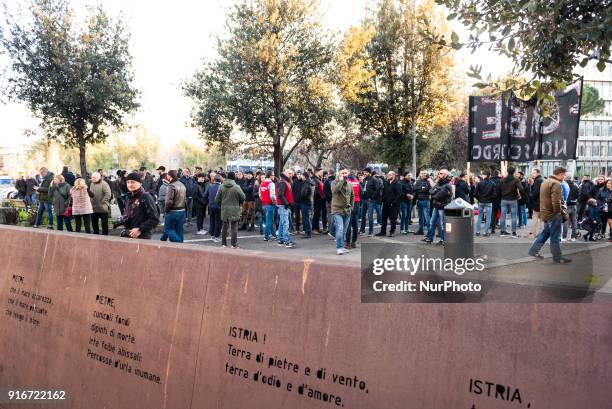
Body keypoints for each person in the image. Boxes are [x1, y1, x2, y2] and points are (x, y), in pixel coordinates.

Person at [528, 166, 571, 263]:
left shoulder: (545, 181)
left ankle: (533, 250)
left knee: (545, 233)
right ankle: (557, 257)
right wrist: (558, 213)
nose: (564, 177)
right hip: (553, 214)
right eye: (564, 175)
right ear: (560, 174)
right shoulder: (556, 184)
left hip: (545, 212)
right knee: (555, 236)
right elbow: (556, 202)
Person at [114, 172, 160, 239]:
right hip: (129, 233)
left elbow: (154, 219)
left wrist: (140, 229)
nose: (130, 185)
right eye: (128, 182)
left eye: (133, 182)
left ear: (140, 183)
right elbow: (129, 215)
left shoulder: (145, 197)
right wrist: (121, 221)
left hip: (143, 236)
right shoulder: (128, 197)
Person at [215, 171, 246, 249]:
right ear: (234, 178)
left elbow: (216, 199)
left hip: (224, 209)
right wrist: (239, 203)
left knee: (224, 227)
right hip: (235, 209)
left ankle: (223, 244)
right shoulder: (237, 187)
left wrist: (221, 205)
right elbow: (243, 197)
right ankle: (233, 244)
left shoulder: (221, 186)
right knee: (234, 227)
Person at [424, 169, 453, 244]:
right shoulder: (439, 182)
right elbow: (431, 191)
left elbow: (438, 196)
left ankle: (443, 239)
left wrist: (435, 192)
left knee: (443, 224)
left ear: (446, 175)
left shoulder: (447, 185)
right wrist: (435, 191)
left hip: (443, 206)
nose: (439, 174)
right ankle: (430, 238)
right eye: (439, 173)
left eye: (441, 173)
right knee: (432, 222)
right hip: (436, 206)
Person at [330, 168, 354, 255]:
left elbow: (352, 196)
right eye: (342, 173)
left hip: (347, 210)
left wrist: (351, 206)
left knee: (344, 230)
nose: (344, 174)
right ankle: (339, 248)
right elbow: (334, 191)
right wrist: (340, 181)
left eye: (345, 173)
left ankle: (342, 246)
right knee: (340, 229)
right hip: (337, 210)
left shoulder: (350, 184)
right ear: (339, 174)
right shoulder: (334, 182)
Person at [497, 166, 523, 238]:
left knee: (503, 216)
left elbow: (498, 190)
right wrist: (519, 195)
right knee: (513, 216)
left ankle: (502, 232)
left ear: (507, 171)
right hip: (513, 199)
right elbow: (521, 189)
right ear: (514, 172)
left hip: (504, 199)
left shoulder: (502, 180)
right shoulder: (516, 180)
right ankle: (514, 233)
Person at [162, 170, 187, 243]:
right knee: (179, 230)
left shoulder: (171, 185)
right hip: (182, 211)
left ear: (169, 176)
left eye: (167, 175)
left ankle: (180, 244)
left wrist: (166, 210)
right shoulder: (182, 184)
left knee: (168, 229)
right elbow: (184, 199)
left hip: (173, 211)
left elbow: (169, 201)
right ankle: (178, 247)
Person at [377, 171, 401, 237]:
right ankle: (383, 231)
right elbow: (384, 192)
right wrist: (382, 200)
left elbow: (399, 194)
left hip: (393, 205)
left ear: (393, 175)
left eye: (390, 175)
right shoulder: (386, 182)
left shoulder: (397, 183)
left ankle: (392, 232)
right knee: (384, 218)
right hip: (385, 203)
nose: (388, 176)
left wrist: (393, 203)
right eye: (388, 175)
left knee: (392, 219)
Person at [360, 168, 383, 237]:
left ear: (369, 173)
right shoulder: (364, 179)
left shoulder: (374, 180)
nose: (364, 174)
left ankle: (370, 232)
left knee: (370, 216)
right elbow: (363, 188)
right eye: (364, 173)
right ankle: (362, 230)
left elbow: (377, 189)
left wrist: (372, 197)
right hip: (364, 200)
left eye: (366, 173)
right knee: (363, 216)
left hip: (370, 201)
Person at [276, 169, 296, 248]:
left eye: (292, 173)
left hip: (284, 205)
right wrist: (286, 203)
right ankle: (286, 241)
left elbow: (281, 194)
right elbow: (280, 195)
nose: (291, 175)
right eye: (290, 173)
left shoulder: (285, 182)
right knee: (285, 223)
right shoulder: (283, 182)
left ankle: (281, 240)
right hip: (283, 205)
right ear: (286, 174)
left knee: (282, 223)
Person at [473, 170, 496, 236]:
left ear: (485, 175)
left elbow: (474, 194)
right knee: (488, 217)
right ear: (490, 175)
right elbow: (494, 195)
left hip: (481, 201)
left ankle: (477, 231)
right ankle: (485, 232)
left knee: (480, 216)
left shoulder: (480, 183)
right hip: (488, 202)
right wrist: (490, 199)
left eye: (483, 174)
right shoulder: (492, 183)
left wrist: (479, 198)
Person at [413, 170, 433, 235]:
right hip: (419, 200)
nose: (423, 174)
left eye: (425, 173)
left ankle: (429, 232)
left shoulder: (428, 181)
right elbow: (414, 189)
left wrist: (420, 189)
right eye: (422, 173)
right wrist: (421, 188)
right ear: (420, 174)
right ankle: (420, 230)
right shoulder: (418, 181)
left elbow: (426, 189)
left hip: (425, 200)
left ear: (427, 174)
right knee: (420, 216)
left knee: (427, 217)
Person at [344, 172, 361, 248]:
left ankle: (347, 242)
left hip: (350, 203)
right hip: (357, 203)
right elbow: (361, 193)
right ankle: (354, 242)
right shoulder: (357, 182)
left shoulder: (348, 183)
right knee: (355, 223)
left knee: (348, 224)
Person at [260, 170, 277, 242]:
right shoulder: (271, 184)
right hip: (270, 204)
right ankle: (266, 237)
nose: (274, 176)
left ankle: (273, 235)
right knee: (269, 221)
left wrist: (263, 200)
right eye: (273, 175)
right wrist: (275, 202)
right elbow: (272, 195)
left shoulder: (262, 183)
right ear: (270, 176)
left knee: (270, 220)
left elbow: (260, 195)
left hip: (264, 204)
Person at [206, 174, 223, 242]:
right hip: (218, 206)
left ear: (214, 179)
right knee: (218, 222)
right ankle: (216, 236)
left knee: (212, 220)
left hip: (211, 206)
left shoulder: (210, 186)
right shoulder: (221, 187)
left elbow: (205, 195)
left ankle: (212, 235)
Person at [562, 176, 579, 242]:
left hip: (566, 205)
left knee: (565, 222)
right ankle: (573, 237)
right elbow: (578, 195)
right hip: (573, 205)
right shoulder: (575, 186)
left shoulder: (564, 185)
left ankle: (564, 237)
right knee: (574, 221)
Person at [529, 168, 544, 238]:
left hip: (537, 202)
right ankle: (541, 234)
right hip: (542, 202)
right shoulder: (541, 179)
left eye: (534, 173)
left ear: (538, 173)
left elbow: (535, 192)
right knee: (542, 219)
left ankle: (533, 233)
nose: (532, 174)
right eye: (533, 173)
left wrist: (531, 196)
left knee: (535, 218)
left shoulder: (538, 180)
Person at [299, 171, 314, 239]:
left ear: (304, 176)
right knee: (307, 218)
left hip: (305, 203)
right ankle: (308, 232)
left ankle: (308, 233)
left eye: (302, 175)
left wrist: (301, 198)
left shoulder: (306, 183)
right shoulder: (309, 182)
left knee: (306, 218)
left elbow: (303, 193)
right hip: (308, 202)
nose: (301, 177)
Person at [311, 168, 326, 235]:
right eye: (321, 172)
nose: (322, 173)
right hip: (317, 200)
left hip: (320, 200)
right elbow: (315, 191)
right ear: (318, 172)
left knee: (318, 214)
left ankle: (317, 228)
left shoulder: (318, 179)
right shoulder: (314, 179)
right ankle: (314, 228)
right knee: (316, 214)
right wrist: (321, 195)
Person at [489, 169, 502, 234]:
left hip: (492, 199)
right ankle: (503, 229)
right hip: (500, 199)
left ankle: (492, 229)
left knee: (493, 214)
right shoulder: (500, 180)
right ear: (498, 174)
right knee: (503, 214)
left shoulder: (490, 180)